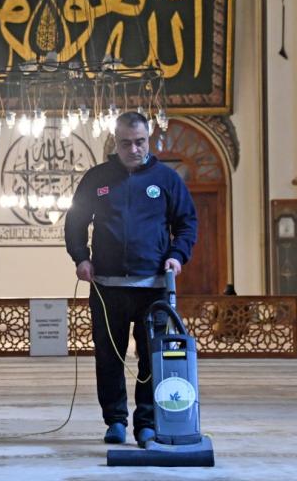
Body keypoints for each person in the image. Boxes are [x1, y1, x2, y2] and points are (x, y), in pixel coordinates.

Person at [64, 111, 198, 447]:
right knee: (109, 356)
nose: (134, 149)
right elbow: (75, 222)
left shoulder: (166, 179)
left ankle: (147, 423)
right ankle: (115, 420)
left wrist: (177, 255)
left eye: (140, 142)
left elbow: (186, 223)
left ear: (148, 140)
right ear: (115, 141)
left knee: (152, 358)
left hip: (153, 288)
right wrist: (81, 257)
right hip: (107, 287)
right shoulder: (97, 178)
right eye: (126, 143)